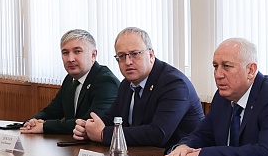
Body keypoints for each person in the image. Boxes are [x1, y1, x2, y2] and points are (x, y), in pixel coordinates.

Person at [160, 38, 268, 156]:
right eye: (215, 66)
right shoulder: (222, 96)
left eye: (227, 66)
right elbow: (203, 134)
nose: (218, 75)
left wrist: (200, 155)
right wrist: (184, 147)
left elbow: (266, 154)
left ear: (251, 70)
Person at [74, 27, 203, 148]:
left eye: (135, 54)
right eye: (121, 56)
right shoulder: (126, 84)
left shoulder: (174, 84)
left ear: (151, 55)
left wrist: (104, 134)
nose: (128, 62)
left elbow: (158, 134)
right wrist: (88, 128)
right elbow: (112, 119)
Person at [20, 30, 120, 136]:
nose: (70, 59)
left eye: (77, 51)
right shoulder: (70, 79)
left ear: (93, 55)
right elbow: (52, 111)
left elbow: (89, 123)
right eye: (65, 53)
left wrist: (45, 126)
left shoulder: (106, 82)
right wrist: (32, 121)